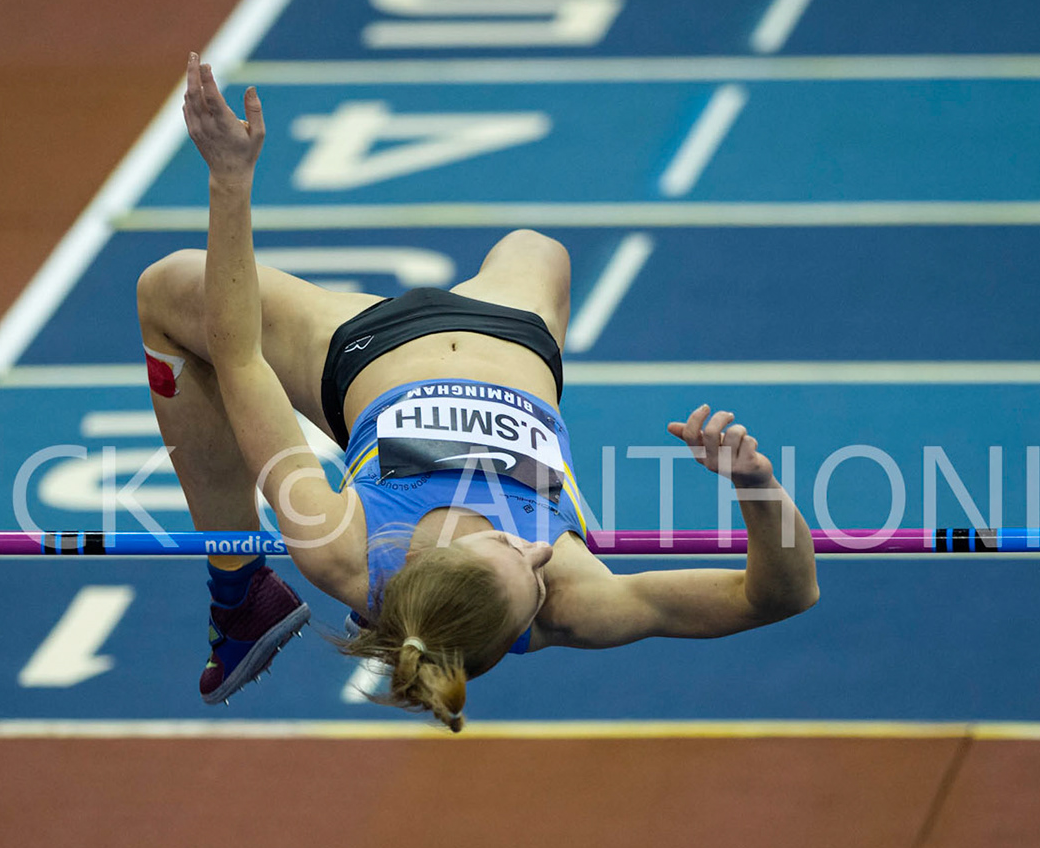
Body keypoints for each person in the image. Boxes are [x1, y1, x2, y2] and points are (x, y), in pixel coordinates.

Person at [137, 53, 820, 729]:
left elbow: (241, 357)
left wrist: (230, 182)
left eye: (516, 558)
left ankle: (237, 591)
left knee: (169, 290)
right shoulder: (571, 600)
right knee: (535, 246)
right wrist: (755, 485)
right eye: (537, 576)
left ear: (433, 564)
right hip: (512, 336)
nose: (541, 551)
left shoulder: (340, 546)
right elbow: (776, 598)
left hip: (356, 350)